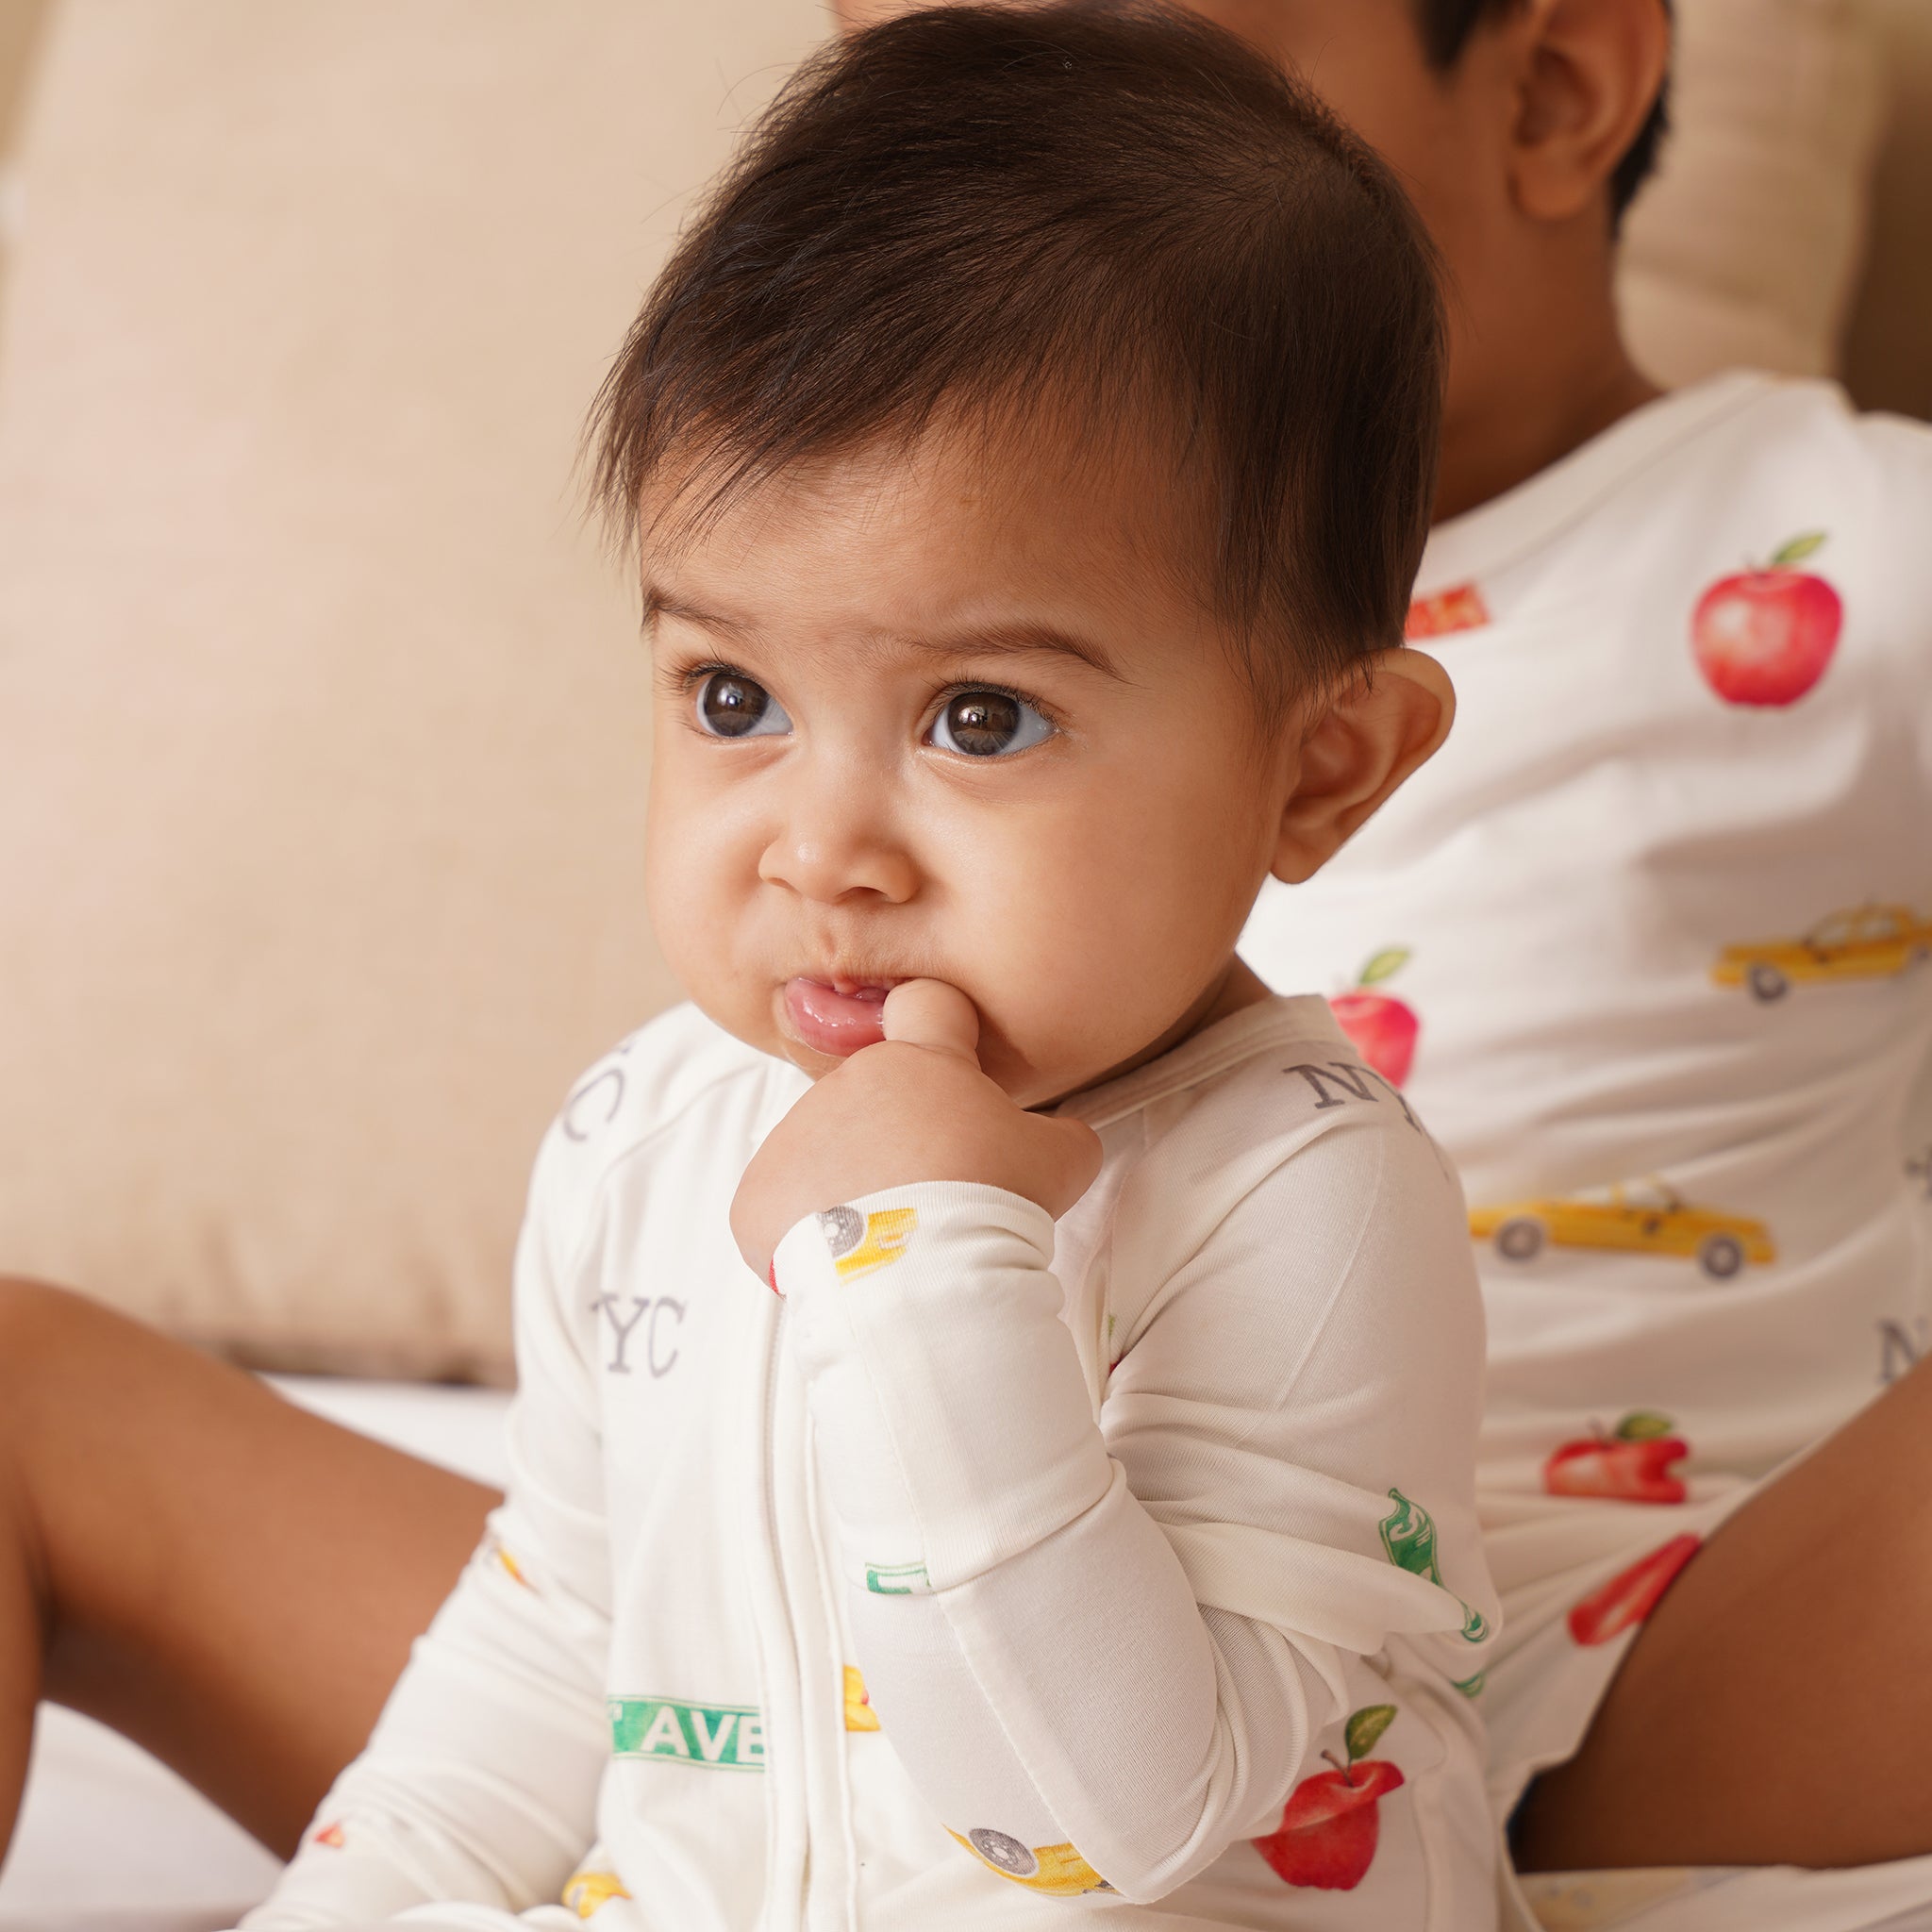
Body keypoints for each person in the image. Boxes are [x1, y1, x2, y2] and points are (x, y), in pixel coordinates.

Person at [218, 7, 1499, 1925]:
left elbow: (1109, 1814)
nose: (820, 849)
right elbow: (554, 1638)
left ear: (1317, 768)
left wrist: (925, 1265)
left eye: (980, 718)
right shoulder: (639, 1136)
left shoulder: (1306, 1201)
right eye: (730, 693)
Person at [831, 2, 1932, 1926]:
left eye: (1124, 96)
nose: (989, 216)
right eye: (916, 111)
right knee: (95, 1416)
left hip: (1623, 1663)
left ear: (1551, 87)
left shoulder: (1856, 551)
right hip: (885, 1656)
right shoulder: (853, 644)